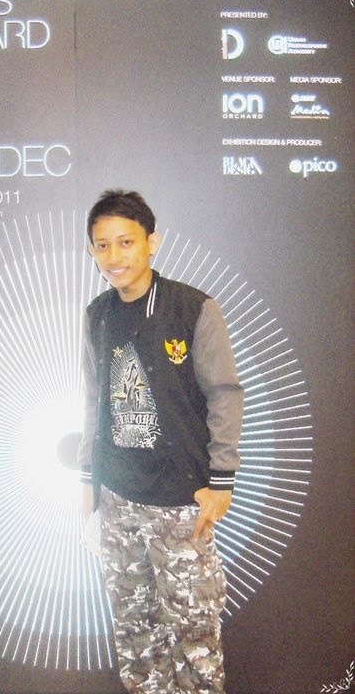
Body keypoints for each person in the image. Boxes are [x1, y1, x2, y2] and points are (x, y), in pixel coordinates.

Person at [78, 189, 243, 694]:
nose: (114, 256)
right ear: (92, 251)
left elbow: (224, 394)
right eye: (102, 245)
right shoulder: (97, 314)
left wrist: (222, 481)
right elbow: (94, 400)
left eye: (126, 242)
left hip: (181, 502)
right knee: (136, 635)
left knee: (195, 635)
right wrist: (88, 480)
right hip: (118, 500)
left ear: (153, 242)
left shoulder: (193, 309)